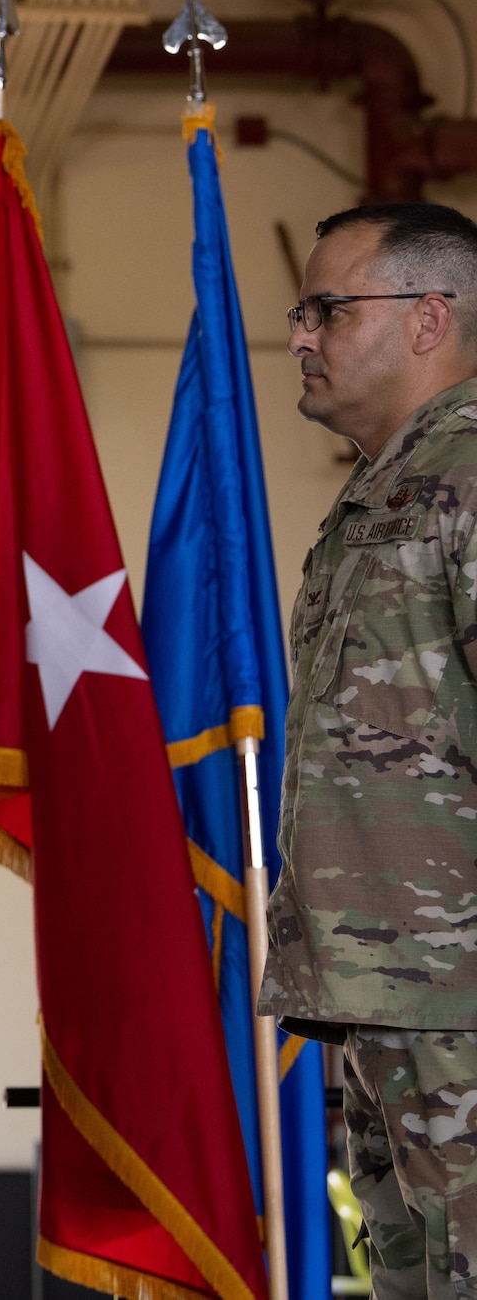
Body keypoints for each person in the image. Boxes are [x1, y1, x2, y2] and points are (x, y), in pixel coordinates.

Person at [261, 201, 477, 1299]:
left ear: (427, 317)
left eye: (326, 308)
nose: (298, 334)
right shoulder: (380, 491)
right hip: (388, 995)